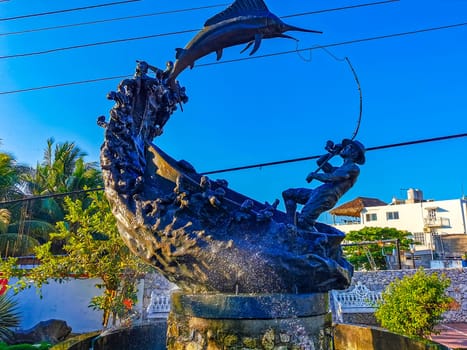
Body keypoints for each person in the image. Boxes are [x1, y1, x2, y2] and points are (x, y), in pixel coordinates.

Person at [282, 139, 365, 230]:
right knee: (288, 194)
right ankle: (291, 226)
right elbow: (320, 162)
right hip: (318, 192)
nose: (344, 148)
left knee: (304, 221)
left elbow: (333, 177)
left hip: (326, 197)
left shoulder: (353, 168)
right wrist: (332, 152)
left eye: (348, 147)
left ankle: (319, 239)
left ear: (354, 153)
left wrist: (315, 175)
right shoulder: (339, 168)